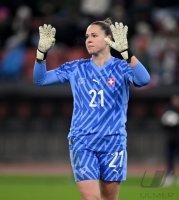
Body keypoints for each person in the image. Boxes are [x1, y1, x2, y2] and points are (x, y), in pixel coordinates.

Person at [33, 19, 150, 200]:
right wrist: (41, 52)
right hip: (82, 140)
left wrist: (126, 52)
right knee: (92, 198)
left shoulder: (121, 68)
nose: (88, 40)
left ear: (109, 39)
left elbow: (144, 80)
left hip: (113, 141)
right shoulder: (76, 68)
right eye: (87, 36)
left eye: (94, 36)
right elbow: (40, 80)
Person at [161, 94, 179, 186]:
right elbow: (163, 123)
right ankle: (169, 176)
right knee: (169, 159)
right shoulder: (168, 110)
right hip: (171, 139)